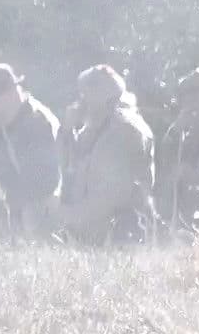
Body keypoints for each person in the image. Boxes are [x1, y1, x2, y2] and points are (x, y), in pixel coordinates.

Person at [0, 62, 62, 240]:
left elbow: (43, 182)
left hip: (41, 205)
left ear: (9, 94)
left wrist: (0, 191)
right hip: (6, 202)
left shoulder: (39, 123)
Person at [59, 64, 156, 244]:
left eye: (86, 93)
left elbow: (112, 194)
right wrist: (67, 131)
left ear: (105, 96)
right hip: (92, 231)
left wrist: (71, 216)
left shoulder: (126, 130)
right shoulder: (94, 128)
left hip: (121, 234)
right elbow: (68, 168)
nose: (81, 101)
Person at [160, 66, 199, 230]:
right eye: (185, 97)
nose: (188, 103)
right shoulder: (195, 126)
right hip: (198, 220)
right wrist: (175, 131)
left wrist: (197, 177)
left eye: (194, 95)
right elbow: (167, 161)